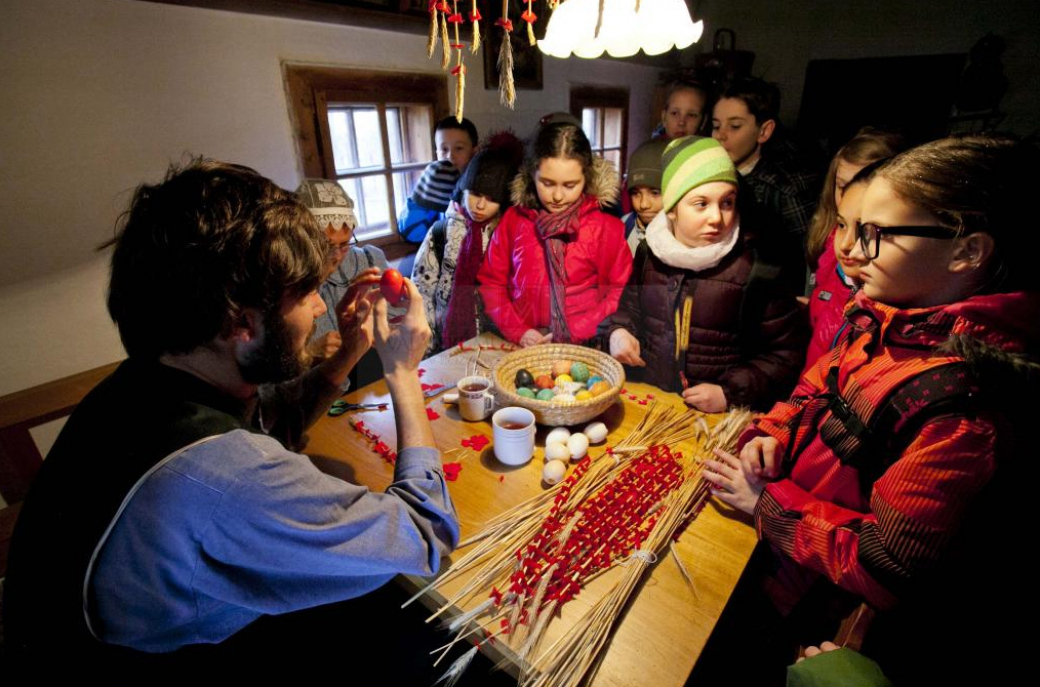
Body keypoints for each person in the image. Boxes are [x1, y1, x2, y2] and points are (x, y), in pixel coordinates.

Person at [2, 159, 459, 662]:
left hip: (82, 628)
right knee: (414, 624)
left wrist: (349, 352)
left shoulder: (143, 384)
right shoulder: (224, 478)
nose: (318, 308)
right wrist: (402, 372)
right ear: (243, 323)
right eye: (306, 294)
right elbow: (425, 535)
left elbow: (268, 430)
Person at [704, 135, 1040, 684]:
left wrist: (768, 504)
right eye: (850, 227)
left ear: (967, 251)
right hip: (782, 552)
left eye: (875, 233)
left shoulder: (963, 406)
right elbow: (815, 385)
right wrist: (774, 433)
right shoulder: (884, 315)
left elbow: (886, 562)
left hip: (820, 603)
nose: (853, 250)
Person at [603, 136, 806, 412]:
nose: (716, 218)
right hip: (654, 403)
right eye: (701, 204)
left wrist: (730, 393)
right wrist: (619, 332)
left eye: (726, 203)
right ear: (672, 209)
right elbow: (629, 310)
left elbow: (786, 356)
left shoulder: (757, 270)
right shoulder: (649, 252)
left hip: (718, 420)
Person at [477, 122, 632, 347]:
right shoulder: (514, 221)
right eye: (547, 183)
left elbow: (619, 293)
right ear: (532, 175)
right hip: (524, 344)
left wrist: (575, 332)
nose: (557, 196)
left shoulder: (605, 228)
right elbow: (492, 283)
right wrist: (518, 331)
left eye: (570, 185)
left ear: (586, 178)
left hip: (586, 345)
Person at [411, 132, 524, 353]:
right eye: (475, 193)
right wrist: (426, 345)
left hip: (498, 342)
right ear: (463, 189)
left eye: (492, 199)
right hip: (445, 345)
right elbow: (422, 290)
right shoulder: (442, 232)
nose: (480, 205)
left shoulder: (510, 236)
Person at [712, 77, 819, 285]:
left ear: (764, 131)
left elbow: (811, 260)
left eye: (734, 126)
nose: (721, 136)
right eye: (716, 126)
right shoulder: (709, 179)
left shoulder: (784, 189)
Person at [801, 159, 889, 375]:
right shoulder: (835, 281)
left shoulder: (888, 311)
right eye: (841, 225)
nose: (846, 243)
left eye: (864, 230)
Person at [295, 179, 388, 381]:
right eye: (326, 245)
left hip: (372, 386)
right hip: (319, 400)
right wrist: (307, 355)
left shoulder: (366, 262)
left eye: (344, 244)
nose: (336, 256)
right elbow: (268, 392)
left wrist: (383, 330)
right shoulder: (285, 288)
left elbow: (399, 319)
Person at [397, 116, 479, 246]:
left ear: (475, 151)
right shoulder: (435, 184)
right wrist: (421, 197)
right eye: (444, 149)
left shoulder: (481, 188)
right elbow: (412, 234)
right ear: (437, 152)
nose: (450, 156)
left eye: (459, 148)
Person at [620, 138, 667, 255]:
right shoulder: (624, 227)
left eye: (655, 193)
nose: (643, 204)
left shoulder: (688, 234)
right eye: (636, 193)